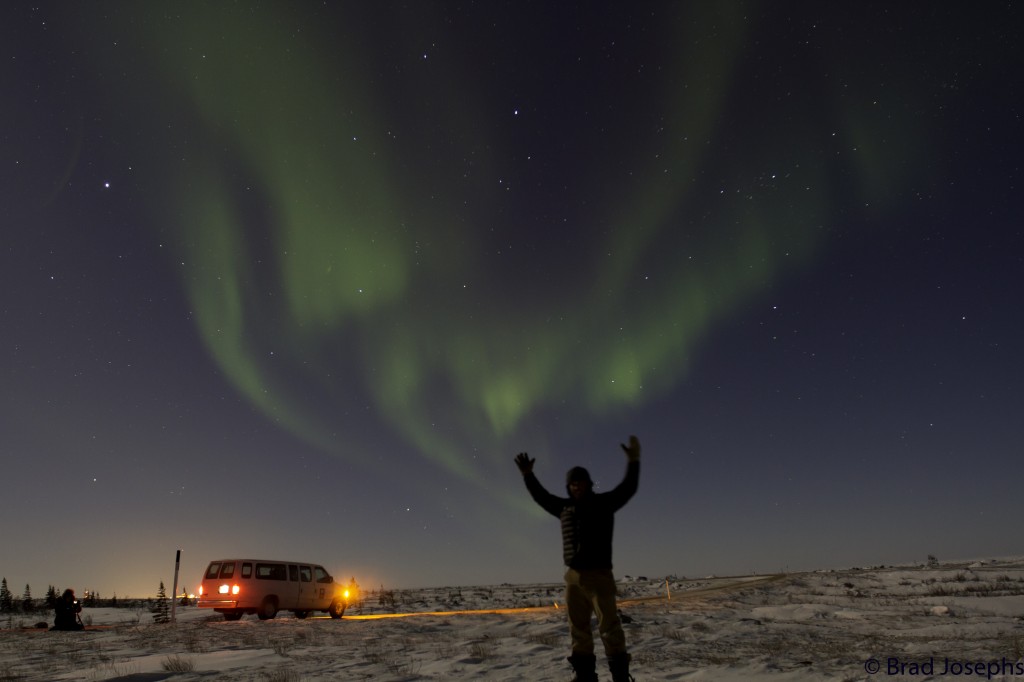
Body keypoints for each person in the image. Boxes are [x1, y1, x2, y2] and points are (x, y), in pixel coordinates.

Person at [515, 435, 640, 682]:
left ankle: (620, 677)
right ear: (568, 487)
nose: (577, 487)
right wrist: (528, 475)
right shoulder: (563, 508)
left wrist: (633, 461)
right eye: (573, 484)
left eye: (580, 483)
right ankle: (585, 677)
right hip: (573, 578)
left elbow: (628, 489)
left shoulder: (604, 503)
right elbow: (541, 496)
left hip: (600, 575)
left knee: (610, 627)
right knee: (578, 629)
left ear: (588, 483)